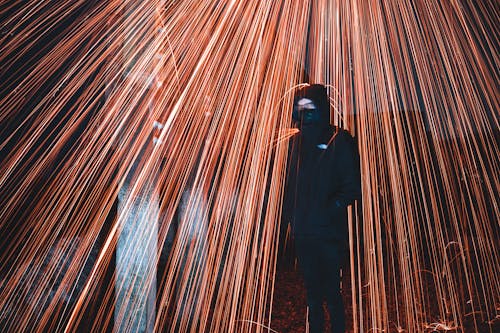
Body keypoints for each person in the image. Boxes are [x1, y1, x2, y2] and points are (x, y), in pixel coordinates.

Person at [284, 84, 361, 333]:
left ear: (320, 109)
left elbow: (351, 186)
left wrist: (329, 210)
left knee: (332, 295)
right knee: (313, 296)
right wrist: (290, 220)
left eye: (309, 108)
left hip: (328, 236)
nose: (304, 114)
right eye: (300, 108)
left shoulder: (339, 140)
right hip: (305, 233)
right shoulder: (294, 144)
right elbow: (289, 186)